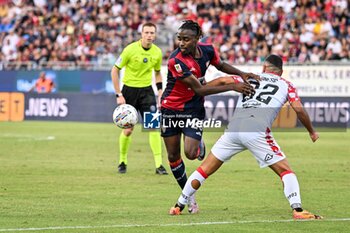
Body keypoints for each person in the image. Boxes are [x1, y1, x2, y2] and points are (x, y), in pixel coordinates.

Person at [168, 54, 323, 220]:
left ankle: (178, 206)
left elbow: (223, 81)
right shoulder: (287, 85)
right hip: (256, 129)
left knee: (204, 170)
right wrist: (311, 131)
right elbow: (298, 109)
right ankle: (298, 209)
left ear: (264, 68)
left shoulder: (249, 77)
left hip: (233, 129)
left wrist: (199, 88)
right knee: (285, 171)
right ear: (281, 71)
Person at [161, 20, 258, 214]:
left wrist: (242, 73)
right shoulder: (176, 61)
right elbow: (200, 89)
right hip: (170, 109)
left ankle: (198, 146)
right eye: (179, 39)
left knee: (190, 153)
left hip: (193, 108)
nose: (181, 43)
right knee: (173, 156)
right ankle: (189, 197)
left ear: (197, 39)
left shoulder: (208, 50)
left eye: (186, 39)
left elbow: (220, 65)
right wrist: (232, 86)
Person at [111, 22, 168, 175]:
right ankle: (122, 161)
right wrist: (119, 94)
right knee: (128, 130)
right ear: (141, 34)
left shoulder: (157, 52)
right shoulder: (130, 49)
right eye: (147, 32)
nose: (149, 35)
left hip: (147, 92)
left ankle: (159, 165)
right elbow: (114, 71)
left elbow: (157, 72)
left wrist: (160, 90)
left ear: (155, 35)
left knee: (154, 127)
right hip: (129, 91)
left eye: (152, 33)